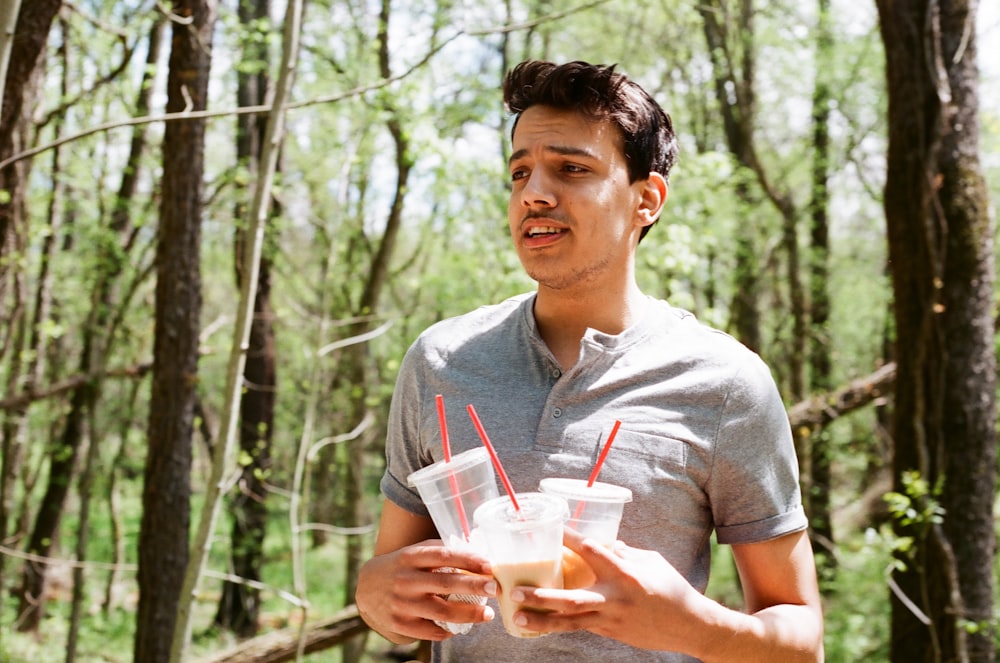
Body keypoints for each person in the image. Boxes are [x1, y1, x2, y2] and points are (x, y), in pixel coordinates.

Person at [355, 59, 824, 662]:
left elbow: (801, 641)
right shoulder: (440, 363)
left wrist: (693, 627)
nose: (535, 194)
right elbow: (395, 603)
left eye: (571, 168)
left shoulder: (727, 384)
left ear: (647, 199)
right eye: (519, 172)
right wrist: (374, 596)